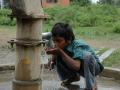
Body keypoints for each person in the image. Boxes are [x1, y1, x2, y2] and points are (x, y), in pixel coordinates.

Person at [46, 22, 104, 90]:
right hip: (81, 68)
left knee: (87, 56)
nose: (55, 44)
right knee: (60, 54)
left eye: (58, 41)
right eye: (54, 41)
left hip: (94, 68)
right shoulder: (61, 46)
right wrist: (52, 61)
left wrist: (60, 52)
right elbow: (53, 60)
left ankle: (91, 85)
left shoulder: (77, 45)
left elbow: (76, 66)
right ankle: (73, 77)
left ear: (69, 40)